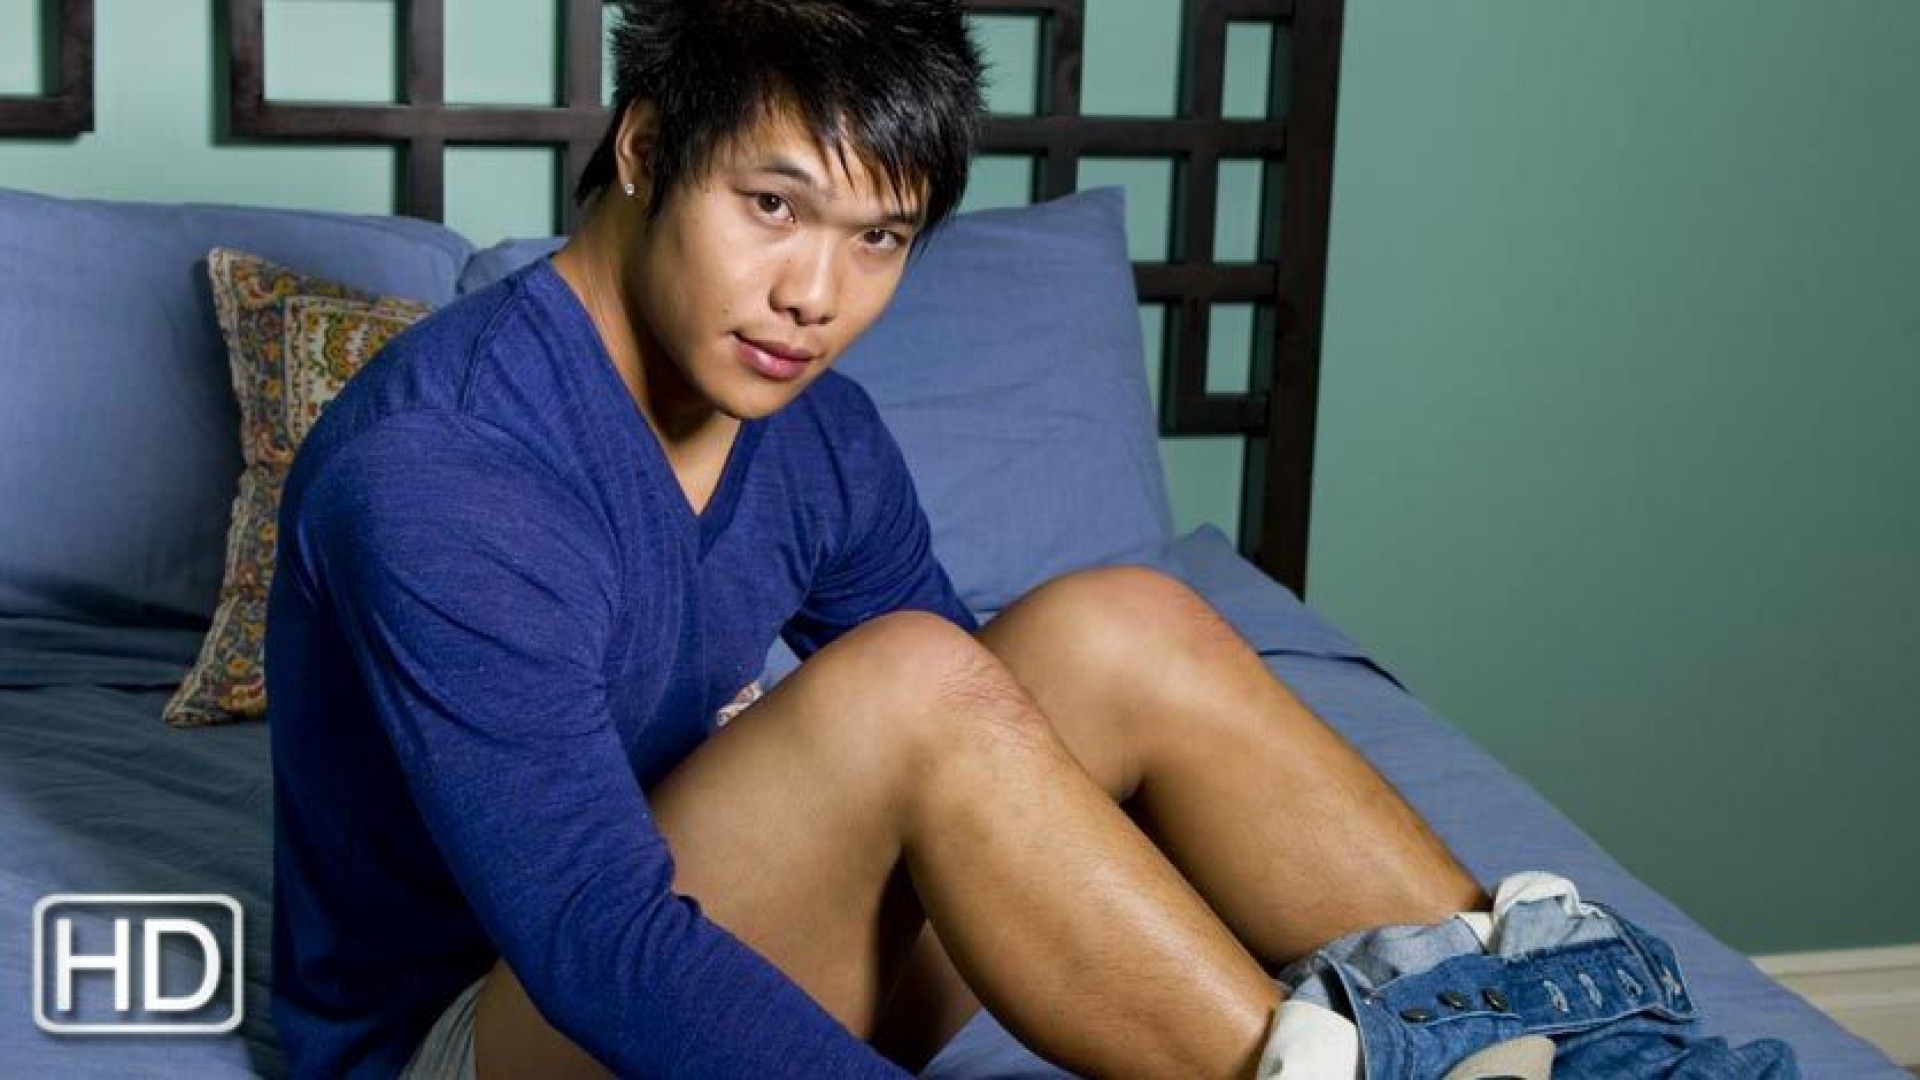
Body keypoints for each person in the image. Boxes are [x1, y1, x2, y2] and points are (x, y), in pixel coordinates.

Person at [265, 2, 1798, 1078]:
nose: (817, 296)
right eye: (775, 207)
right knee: (912, 678)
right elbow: (600, 945)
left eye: (879, 238)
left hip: (715, 937)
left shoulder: (816, 430)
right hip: (489, 1033)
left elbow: (1003, 753)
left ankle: (1583, 1040)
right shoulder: (444, 471)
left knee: (1122, 623)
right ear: (648, 149)